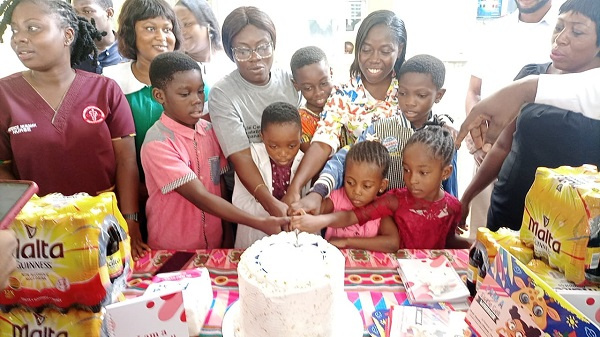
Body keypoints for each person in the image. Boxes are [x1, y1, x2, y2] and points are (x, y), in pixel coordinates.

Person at [0, 0, 141, 254]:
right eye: (14, 30)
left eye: (32, 28)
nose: (19, 38)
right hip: (37, 241)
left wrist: (130, 221)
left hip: (103, 229)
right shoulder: (4, 96)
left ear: (68, 35)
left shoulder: (105, 90)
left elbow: (126, 162)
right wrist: (30, 217)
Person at [459, 0, 600, 232]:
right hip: (510, 209)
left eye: (577, 32)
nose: (561, 38)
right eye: (559, 27)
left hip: (571, 228)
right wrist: (467, 198)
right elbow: (503, 146)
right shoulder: (531, 74)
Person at [141, 52, 288, 250]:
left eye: (200, 91)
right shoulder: (158, 143)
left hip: (214, 243)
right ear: (159, 95)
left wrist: (227, 234)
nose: (197, 100)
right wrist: (259, 222)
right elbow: (201, 197)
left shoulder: (209, 131)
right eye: (185, 94)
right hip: (173, 247)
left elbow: (220, 190)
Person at [291, 54, 457, 215]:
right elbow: (344, 160)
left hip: (431, 223)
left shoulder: (444, 137)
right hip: (386, 223)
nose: (410, 101)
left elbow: (449, 189)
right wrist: (318, 192)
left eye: (420, 95)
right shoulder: (380, 130)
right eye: (403, 93)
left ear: (439, 95)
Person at [283, 10, 407, 209]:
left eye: (385, 51)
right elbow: (323, 142)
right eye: (366, 50)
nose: (374, 59)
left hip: (405, 199)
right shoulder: (342, 94)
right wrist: (295, 188)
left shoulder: (408, 90)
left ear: (399, 50)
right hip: (358, 203)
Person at [464, 0, 558, 238]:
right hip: (488, 149)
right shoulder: (494, 31)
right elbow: (474, 90)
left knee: (524, 240)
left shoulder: (564, 29)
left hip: (536, 159)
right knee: (480, 238)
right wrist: (477, 141)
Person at [291, 126, 470, 249]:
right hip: (395, 273)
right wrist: (321, 222)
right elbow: (353, 216)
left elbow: (448, 240)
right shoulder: (394, 200)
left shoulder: (454, 207)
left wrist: (472, 244)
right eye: (406, 169)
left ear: (446, 172)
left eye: (423, 173)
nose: (412, 179)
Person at [103, 0, 181, 254]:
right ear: (129, 33)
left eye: (167, 29)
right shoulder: (111, 83)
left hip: (181, 200)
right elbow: (111, 157)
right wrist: (131, 216)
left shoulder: (191, 81)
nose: (161, 37)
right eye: (150, 28)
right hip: (128, 203)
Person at [208, 6, 301, 218]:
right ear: (231, 53)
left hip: (296, 191)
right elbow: (240, 155)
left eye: (263, 46)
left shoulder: (290, 81)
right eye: (242, 50)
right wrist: (271, 204)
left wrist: (295, 192)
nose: (255, 57)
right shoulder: (223, 93)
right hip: (251, 197)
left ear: (273, 45)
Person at [232, 102, 309, 249]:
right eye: (273, 146)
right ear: (262, 137)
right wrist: (273, 210)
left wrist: (295, 212)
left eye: (292, 145)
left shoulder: (305, 161)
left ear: (301, 136)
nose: (283, 153)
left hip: (295, 241)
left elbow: (309, 202)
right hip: (255, 238)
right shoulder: (250, 157)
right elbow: (240, 201)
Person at [308, 141, 399, 252]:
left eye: (366, 186)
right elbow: (315, 210)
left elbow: (393, 243)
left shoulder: (381, 208)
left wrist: (347, 241)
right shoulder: (336, 198)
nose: (356, 191)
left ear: (382, 185)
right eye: (350, 182)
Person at [174, 0, 234, 108]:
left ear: (208, 25)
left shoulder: (232, 59)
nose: (181, 31)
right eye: (176, 26)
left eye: (187, 24)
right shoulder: (176, 70)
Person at [289, 46, 334, 153]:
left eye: (323, 83)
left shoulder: (344, 103)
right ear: (296, 85)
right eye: (308, 88)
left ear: (331, 72)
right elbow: (315, 157)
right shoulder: (300, 122)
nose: (318, 92)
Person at [72, 0, 126, 74]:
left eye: (87, 11)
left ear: (109, 13)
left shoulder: (131, 52)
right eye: (75, 13)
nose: (79, 18)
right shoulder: (69, 56)